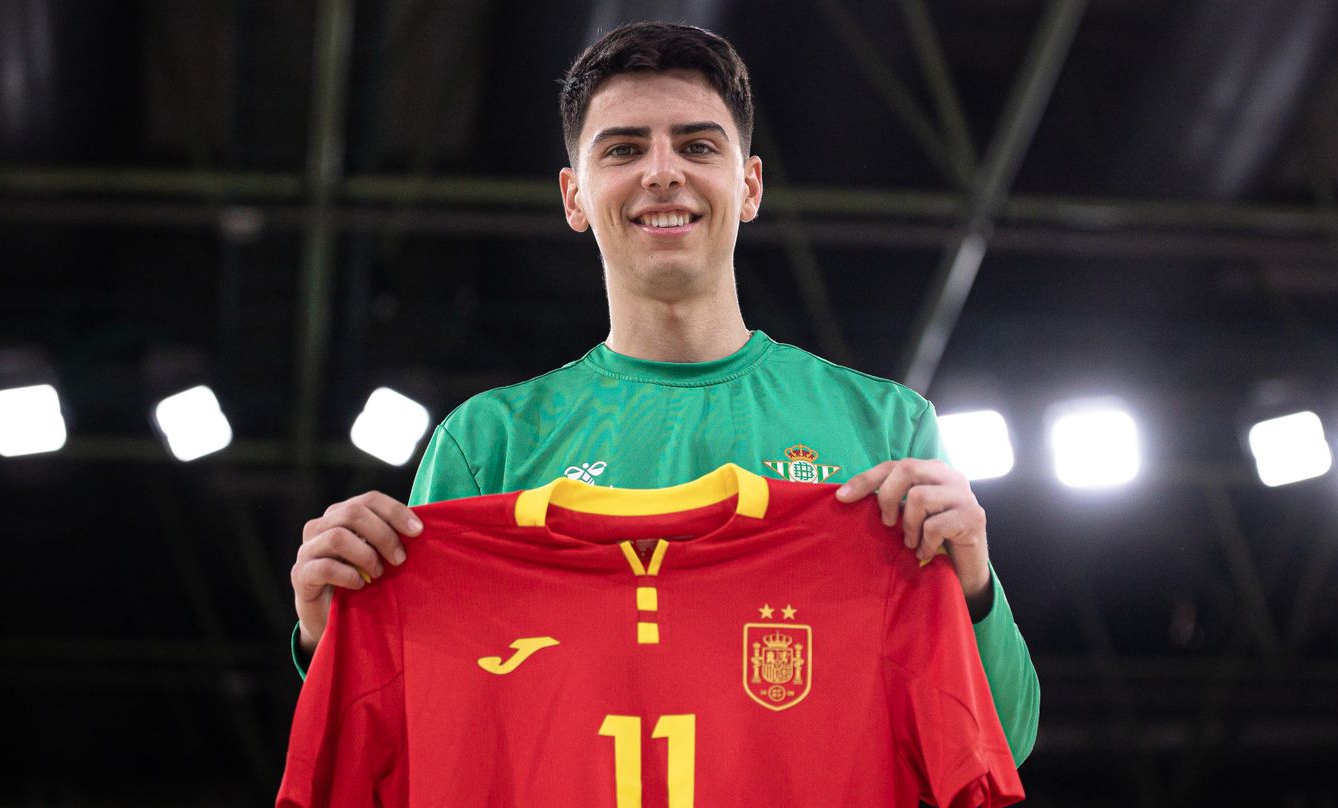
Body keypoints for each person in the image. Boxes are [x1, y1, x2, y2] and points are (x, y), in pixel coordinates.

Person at [288, 21, 1037, 765]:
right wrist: (332, 640)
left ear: (749, 186)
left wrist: (972, 588)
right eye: (623, 149)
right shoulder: (489, 445)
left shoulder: (886, 428)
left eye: (698, 145)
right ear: (574, 196)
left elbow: (999, 744)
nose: (662, 171)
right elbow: (398, 760)